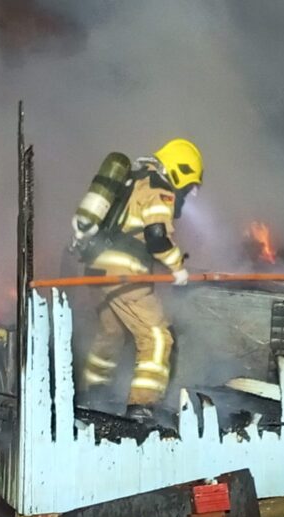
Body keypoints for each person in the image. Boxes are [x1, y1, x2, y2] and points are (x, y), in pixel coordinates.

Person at [71, 138, 203, 420]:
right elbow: (156, 237)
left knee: (111, 333)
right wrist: (178, 267)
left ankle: (92, 395)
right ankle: (142, 408)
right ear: (180, 170)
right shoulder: (160, 189)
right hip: (125, 274)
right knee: (157, 336)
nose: (189, 193)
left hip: (97, 270)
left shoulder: (133, 181)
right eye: (190, 185)